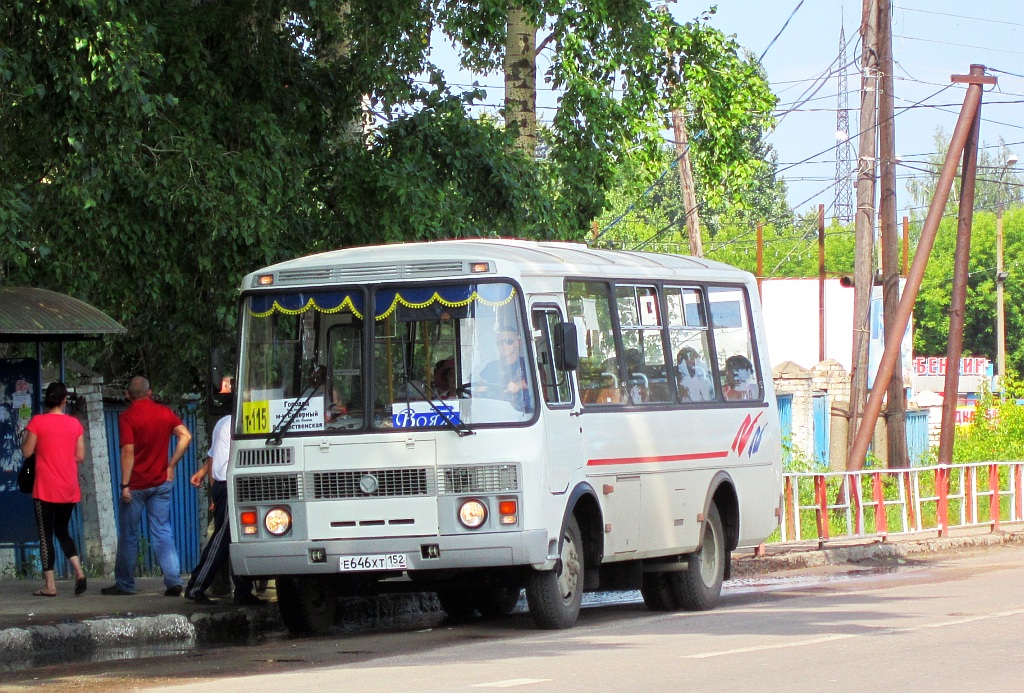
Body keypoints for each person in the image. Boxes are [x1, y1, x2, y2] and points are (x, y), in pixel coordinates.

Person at [102, 376, 192, 596]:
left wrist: (125, 484)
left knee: (129, 535)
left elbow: (128, 452)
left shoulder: (127, 417)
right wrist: (171, 465)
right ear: (150, 393)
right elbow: (186, 436)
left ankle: (125, 584)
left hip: (136, 486)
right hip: (161, 483)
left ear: (127, 395)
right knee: (162, 531)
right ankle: (173, 581)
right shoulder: (164, 412)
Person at [184, 409, 263, 605]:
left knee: (237, 540)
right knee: (223, 539)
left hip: (223, 485)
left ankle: (243, 591)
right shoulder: (239, 423)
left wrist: (213, 490)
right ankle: (196, 586)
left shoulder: (223, 421)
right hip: (231, 486)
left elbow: (212, 457)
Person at [21, 382, 87, 597]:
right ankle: (79, 572)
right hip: (68, 488)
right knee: (62, 531)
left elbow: (27, 452)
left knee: (45, 534)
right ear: (64, 400)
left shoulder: (38, 422)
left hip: (45, 488)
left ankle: (50, 586)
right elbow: (80, 456)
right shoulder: (75, 424)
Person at [477, 328, 532, 412]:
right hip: (496, 413)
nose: (504, 345)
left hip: (525, 415)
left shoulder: (528, 364)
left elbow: (539, 382)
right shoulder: (491, 367)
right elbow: (479, 391)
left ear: (517, 343)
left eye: (508, 341)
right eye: (500, 342)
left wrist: (519, 384)